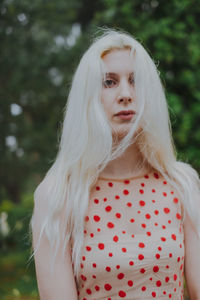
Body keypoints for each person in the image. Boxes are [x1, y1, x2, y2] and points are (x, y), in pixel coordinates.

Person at [31, 28, 200, 300]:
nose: (125, 94)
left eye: (135, 81)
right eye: (109, 82)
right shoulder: (59, 196)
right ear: (87, 95)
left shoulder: (181, 185)